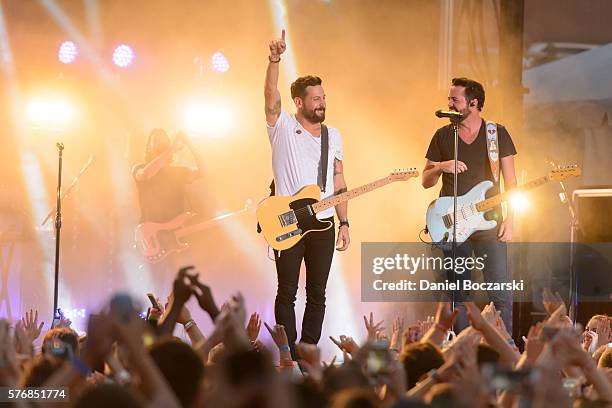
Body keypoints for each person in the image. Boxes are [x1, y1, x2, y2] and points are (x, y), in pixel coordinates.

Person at [264, 29, 350, 359]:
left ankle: (307, 353)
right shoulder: (282, 126)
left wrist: (345, 223)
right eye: (316, 98)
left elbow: (339, 178)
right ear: (299, 102)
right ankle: (287, 352)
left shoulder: (334, 135)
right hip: (287, 222)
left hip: (324, 223)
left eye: (324, 97)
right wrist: (275, 60)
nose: (322, 103)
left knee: (317, 292)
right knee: (287, 291)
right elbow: (271, 96)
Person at [422, 77, 517, 332]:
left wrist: (510, 219)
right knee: (459, 294)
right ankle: (461, 350)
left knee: (499, 292)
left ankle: (503, 350)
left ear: (473, 102)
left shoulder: (496, 134)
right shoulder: (443, 136)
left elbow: (512, 182)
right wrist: (442, 166)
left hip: (490, 223)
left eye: (455, 99)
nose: (449, 104)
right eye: (449, 99)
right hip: (453, 224)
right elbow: (426, 181)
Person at [132, 129, 203, 288]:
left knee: (183, 287)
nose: (161, 142)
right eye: (156, 139)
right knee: (154, 288)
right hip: (152, 240)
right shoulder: (139, 168)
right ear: (149, 146)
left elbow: (202, 172)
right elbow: (146, 174)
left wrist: (191, 146)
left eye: (164, 139)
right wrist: (171, 148)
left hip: (175, 240)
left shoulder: (178, 171)